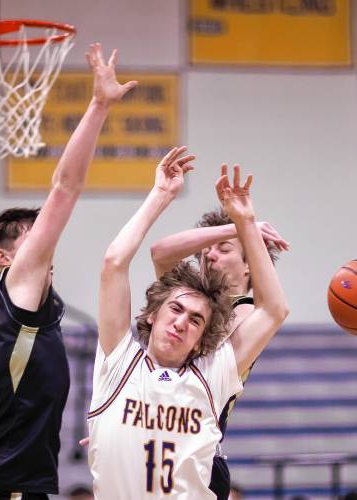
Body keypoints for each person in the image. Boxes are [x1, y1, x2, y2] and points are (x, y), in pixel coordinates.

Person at [0, 43, 136, 500]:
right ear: (5, 257)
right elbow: (66, 186)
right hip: (6, 489)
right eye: (28, 235)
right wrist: (98, 105)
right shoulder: (18, 289)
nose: (42, 240)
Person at [87, 154, 289, 498]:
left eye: (195, 320)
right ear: (153, 313)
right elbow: (143, 256)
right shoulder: (122, 361)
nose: (181, 322)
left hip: (202, 450)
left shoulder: (228, 338)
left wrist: (247, 225)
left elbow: (275, 309)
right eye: (175, 310)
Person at [150, 201, 289, 499]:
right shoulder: (189, 302)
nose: (209, 255)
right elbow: (159, 252)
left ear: (250, 262)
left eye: (223, 249)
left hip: (195, 456)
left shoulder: (247, 312)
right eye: (206, 249)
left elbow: (276, 308)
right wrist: (230, 228)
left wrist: (247, 228)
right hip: (151, 442)